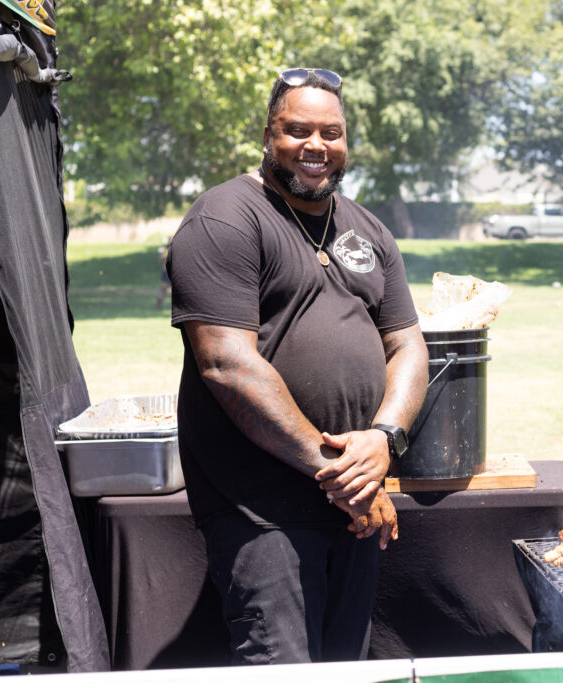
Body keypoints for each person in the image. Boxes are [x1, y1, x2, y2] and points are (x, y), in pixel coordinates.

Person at [165, 68, 429, 665]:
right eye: (298, 130)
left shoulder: (368, 228)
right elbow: (227, 365)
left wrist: (385, 438)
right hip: (264, 512)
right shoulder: (224, 219)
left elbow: (408, 345)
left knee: (344, 670)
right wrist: (341, 475)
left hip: (354, 505)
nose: (316, 146)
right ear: (267, 136)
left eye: (331, 132)